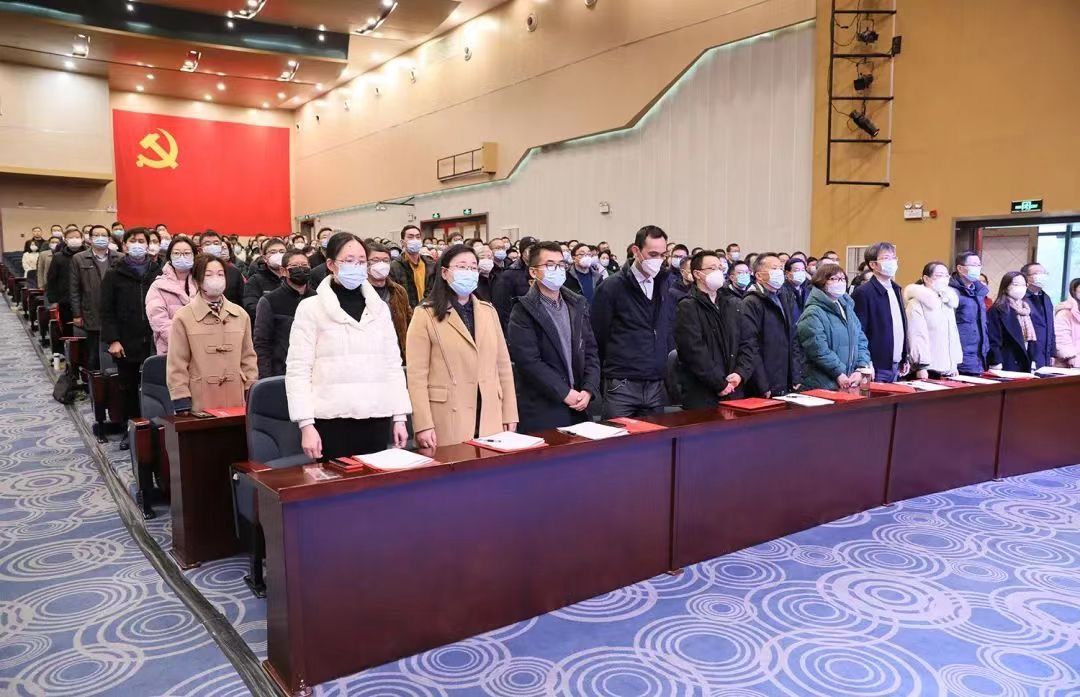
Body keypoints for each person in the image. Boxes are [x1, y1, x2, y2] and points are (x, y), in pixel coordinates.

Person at [285, 233, 411, 459]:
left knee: (375, 478)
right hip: (332, 418)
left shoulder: (379, 308)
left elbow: (392, 364)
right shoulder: (310, 308)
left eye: (362, 261)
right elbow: (298, 369)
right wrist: (306, 424)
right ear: (331, 264)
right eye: (349, 260)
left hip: (376, 414)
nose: (357, 266)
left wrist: (400, 417)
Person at [406, 244, 517, 447]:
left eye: (473, 267)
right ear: (445, 273)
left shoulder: (488, 311)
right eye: (462, 267)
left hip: (488, 412)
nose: (469, 272)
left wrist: (509, 412)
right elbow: (416, 376)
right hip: (447, 414)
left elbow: (503, 366)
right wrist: (423, 424)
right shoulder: (425, 314)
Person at [506, 242, 601, 432]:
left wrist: (589, 389)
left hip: (579, 404)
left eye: (561, 264)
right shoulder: (523, 310)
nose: (557, 270)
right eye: (550, 265)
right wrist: (564, 392)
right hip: (543, 408)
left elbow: (590, 351)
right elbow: (529, 361)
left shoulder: (577, 304)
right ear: (533, 272)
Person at [591, 225, 677, 417]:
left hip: (655, 383)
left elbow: (666, 328)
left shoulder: (664, 284)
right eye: (652, 254)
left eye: (662, 255)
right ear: (636, 251)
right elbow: (598, 335)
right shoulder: (612, 287)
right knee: (618, 435)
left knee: (655, 436)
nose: (658, 260)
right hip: (622, 383)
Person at [167, 254, 258, 413]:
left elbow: (248, 357)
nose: (216, 279)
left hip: (236, 398)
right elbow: (177, 362)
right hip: (200, 398)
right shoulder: (183, 317)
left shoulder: (240, 314)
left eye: (220, 274)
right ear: (197, 280)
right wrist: (181, 398)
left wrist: (250, 388)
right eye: (208, 275)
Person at [674, 251, 756, 408]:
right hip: (703, 393)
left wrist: (740, 373)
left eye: (720, 268)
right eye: (712, 268)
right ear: (697, 274)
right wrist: (720, 384)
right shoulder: (688, 306)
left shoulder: (733, 303)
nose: (718, 272)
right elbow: (693, 351)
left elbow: (748, 342)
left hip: (735, 388)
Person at [101, 228, 163, 433]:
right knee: (128, 388)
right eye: (133, 241)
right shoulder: (114, 273)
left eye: (142, 241)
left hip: (154, 339)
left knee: (156, 385)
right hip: (126, 340)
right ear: (125, 246)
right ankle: (132, 431)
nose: (138, 244)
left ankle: (156, 429)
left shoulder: (158, 272)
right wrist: (113, 340)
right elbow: (106, 310)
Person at [796, 264, 872, 390]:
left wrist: (860, 368)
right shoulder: (813, 312)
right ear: (821, 282)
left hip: (848, 380)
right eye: (834, 279)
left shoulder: (847, 308)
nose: (840, 282)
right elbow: (818, 349)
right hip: (822, 383)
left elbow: (861, 340)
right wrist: (838, 372)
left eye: (842, 279)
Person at [741, 253, 804, 397]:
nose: (779, 273)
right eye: (774, 268)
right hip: (765, 382)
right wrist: (762, 385)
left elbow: (793, 338)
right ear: (759, 276)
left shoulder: (785, 296)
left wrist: (796, 374)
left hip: (786, 378)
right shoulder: (751, 302)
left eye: (780, 269)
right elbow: (751, 346)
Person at [252, 250, 314, 378]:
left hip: (314, 371)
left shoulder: (318, 298)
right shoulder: (269, 301)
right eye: (295, 266)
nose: (300, 269)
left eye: (304, 265)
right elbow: (262, 343)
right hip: (282, 372)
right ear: (283, 271)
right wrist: (266, 377)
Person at [852, 242, 909, 382]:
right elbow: (859, 331)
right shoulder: (863, 292)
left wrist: (904, 356)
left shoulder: (896, 289)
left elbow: (900, 325)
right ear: (873, 264)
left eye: (893, 258)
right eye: (886, 258)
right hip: (876, 366)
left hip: (896, 364)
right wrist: (866, 362)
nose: (892, 262)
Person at [70, 225, 122, 371]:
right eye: (96, 235)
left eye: (103, 235)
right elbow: (74, 288)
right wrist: (77, 314)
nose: (100, 238)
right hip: (91, 311)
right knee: (94, 353)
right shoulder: (79, 258)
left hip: (115, 313)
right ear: (90, 239)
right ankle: (94, 381)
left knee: (116, 352)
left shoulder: (120, 257)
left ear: (109, 239)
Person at [904, 262, 963, 378]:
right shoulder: (916, 303)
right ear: (926, 278)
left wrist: (954, 364)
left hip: (947, 368)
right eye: (939, 275)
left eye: (946, 275)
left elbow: (953, 335)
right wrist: (921, 366)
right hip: (928, 368)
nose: (944, 279)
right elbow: (916, 335)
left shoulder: (946, 302)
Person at [146, 236, 197, 355]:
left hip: (202, 349)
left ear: (194, 256)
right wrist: (184, 342)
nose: (182, 257)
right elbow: (159, 321)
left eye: (187, 253)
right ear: (170, 257)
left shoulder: (202, 282)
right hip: (170, 350)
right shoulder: (158, 286)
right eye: (177, 253)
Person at [365, 243, 413, 361]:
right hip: (370, 355)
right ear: (366, 263)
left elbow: (409, 321)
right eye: (375, 260)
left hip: (397, 354)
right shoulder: (358, 291)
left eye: (385, 260)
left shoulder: (398, 291)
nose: (381, 264)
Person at [988, 272, 1039, 372]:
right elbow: (993, 339)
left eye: (1023, 285)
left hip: (1025, 360)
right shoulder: (998, 309)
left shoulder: (1026, 309)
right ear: (1006, 287)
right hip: (1006, 361)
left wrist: (1033, 359)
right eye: (1016, 284)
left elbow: (1031, 339)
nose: (1020, 288)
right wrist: (996, 361)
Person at [949, 250, 990, 374]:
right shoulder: (951, 292)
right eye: (973, 265)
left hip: (980, 356)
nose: (977, 268)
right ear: (960, 268)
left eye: (979, 265)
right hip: (961, 357)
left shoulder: (978, 292)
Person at [493, 236, 539, 330]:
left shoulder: (540, 271)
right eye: (530, 249)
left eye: (536, 249)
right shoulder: (510, 273)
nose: (533, 253)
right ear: (522, 252)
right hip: (518, 323)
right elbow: (503, 306)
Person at [46, 227, 85, 327]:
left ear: (82, 239)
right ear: (65, 240)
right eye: (71, 237)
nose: (74, 239)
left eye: (77, 237)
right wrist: (53, 300)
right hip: (65, 299)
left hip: (87, 299)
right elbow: (52, 280)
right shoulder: (58, 257)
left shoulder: (88, 255)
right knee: (68, 328)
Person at [390, 224, 436, 308]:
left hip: (428, 310)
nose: (415, 240)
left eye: (418, 237)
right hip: (408, 311)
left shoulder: (430, 264)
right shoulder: (394, 266)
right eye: (410, 237)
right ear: (402, 242)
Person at [1020, 262, 1056, 369]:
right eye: (1037, 273)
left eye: (1044, 273)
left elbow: (1051, 327)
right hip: (1028, 353)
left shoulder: (1046, 298)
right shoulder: (1021, 297)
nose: (1042, 276)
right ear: (1026, 277)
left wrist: (1052, 352)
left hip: (1045, 354)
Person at [243, 238, 288, 320]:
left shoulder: (292, 278)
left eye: (282, 252)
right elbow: (251, 307)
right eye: (273, 252)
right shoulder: (255, 280)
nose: (278, 255)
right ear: (264, 258)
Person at [199, 230, 245, 306]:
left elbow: (241, 299)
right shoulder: (195, 271)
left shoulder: (234, 272)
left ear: (221, 248)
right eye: (207, 244)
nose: (212, 246)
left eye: (216, 243)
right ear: (201, 250)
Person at [1053, 278, 1080, 368]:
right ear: (1074, 292)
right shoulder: (1065, 313)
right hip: (1069, 366)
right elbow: (1061, 339)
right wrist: (1074, 360)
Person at [781, 256, 812, 320]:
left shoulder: (807, 290)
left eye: (803, 270)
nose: (800, 273)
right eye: (797, 270)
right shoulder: (782, 292)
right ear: (787, 273)